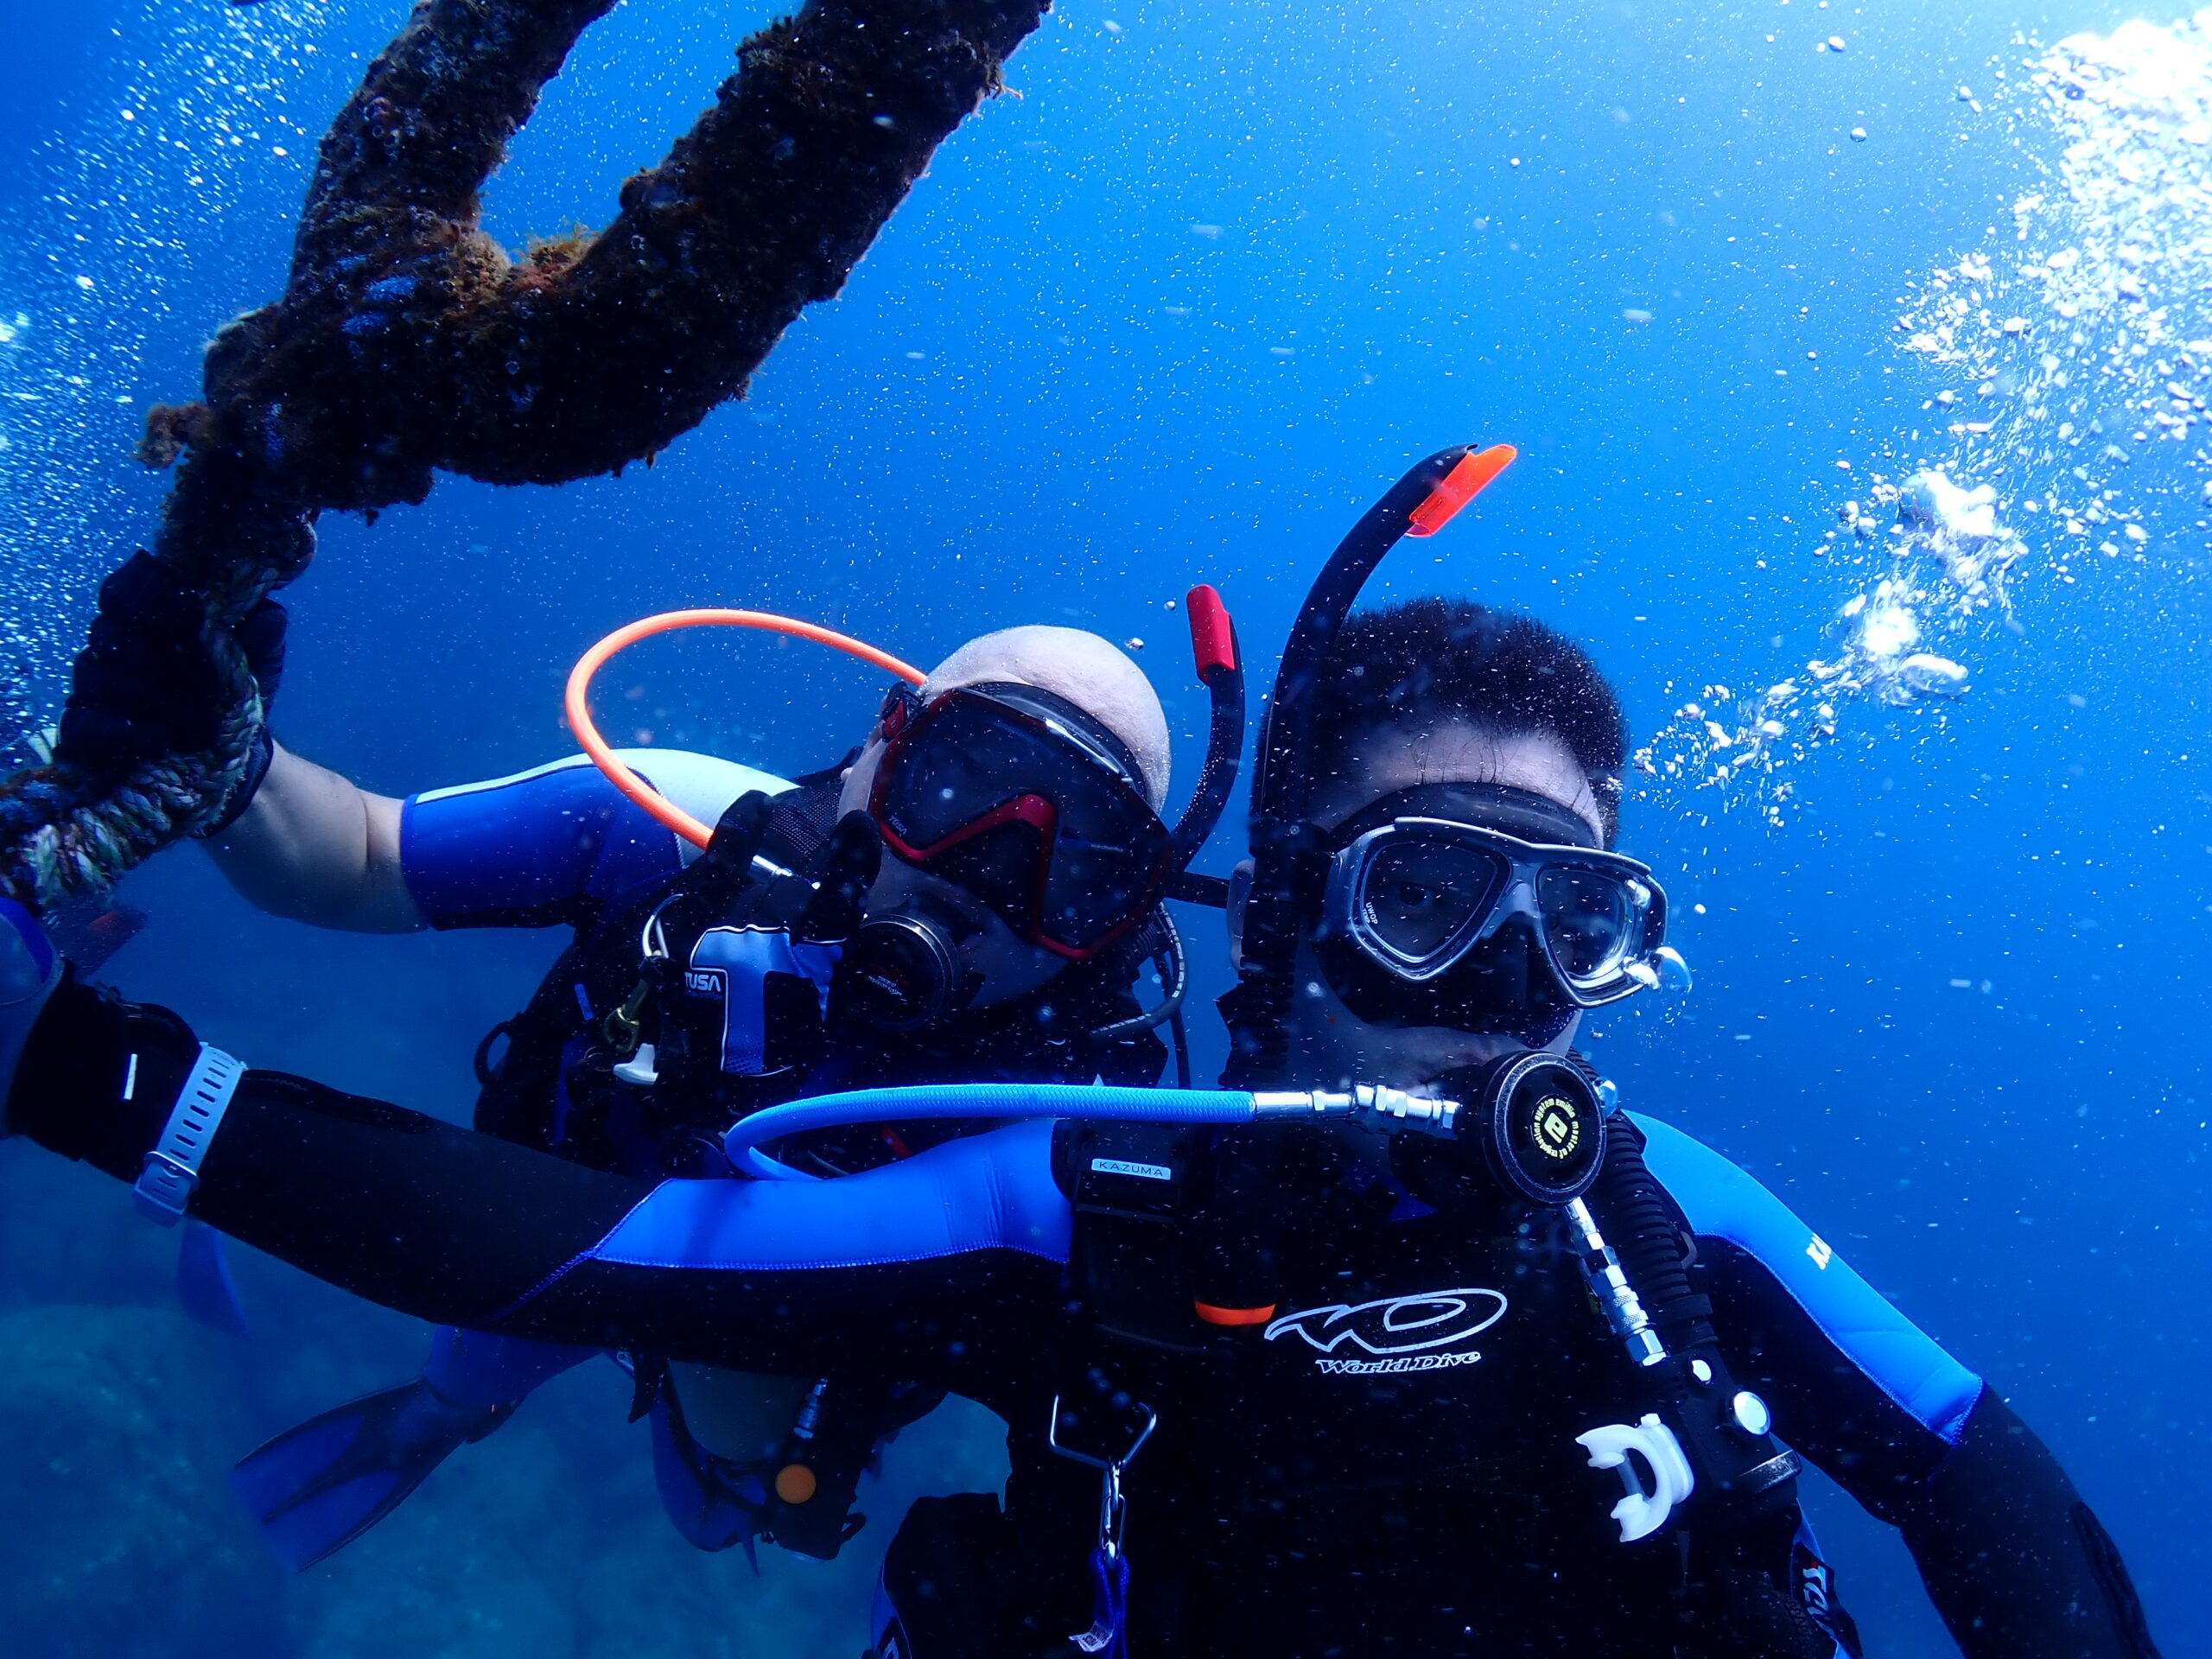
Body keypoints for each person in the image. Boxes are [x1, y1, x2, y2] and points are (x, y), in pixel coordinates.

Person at [0, 449, 2158, 1657]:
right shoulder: (1099, 1195)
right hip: (723, 1312)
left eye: (1569, 919)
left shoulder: (1663, 1214)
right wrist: (81, 1067)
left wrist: (86, 1073)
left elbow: (1982, 1473)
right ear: (1289, 918)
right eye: (1426, 894)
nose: (1505, 982)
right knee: (723, 1431)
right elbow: (609, 1253)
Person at [47, 553, 1242, 1568]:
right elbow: (363, 855)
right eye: (961, 780)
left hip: (739, 1340)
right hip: (536, 1213)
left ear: (1121, 916)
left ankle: (490, 1412)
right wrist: (227, 767)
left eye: (1072, 861)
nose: (980, 877)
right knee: (473, 1370)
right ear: (881, 753)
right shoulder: (680, 834)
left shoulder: (1061, 1124)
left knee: (714, 1506)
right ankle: (433, 1420)